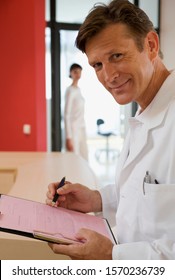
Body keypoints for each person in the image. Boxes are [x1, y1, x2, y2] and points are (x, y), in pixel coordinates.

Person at [46, 0, 175, 259]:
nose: (109, 76)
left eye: (117, 56)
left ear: (150, 45)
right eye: (98, 65)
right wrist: (96, 200)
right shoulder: (144, 112)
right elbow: (145, 194)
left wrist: (111, 256)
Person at [64, 63, 88, 161]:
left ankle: (84, 176)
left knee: (84, 156)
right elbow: (66, 115)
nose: (78, 74)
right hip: (73, 129)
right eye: (75, 72)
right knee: (74, 158)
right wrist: (68, 137)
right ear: (71, 73)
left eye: (79, 71)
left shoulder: (79, 90)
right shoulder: (70, 91)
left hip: (82, 127)